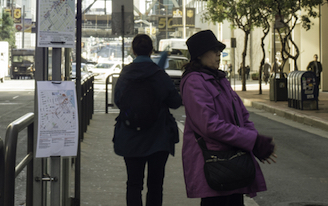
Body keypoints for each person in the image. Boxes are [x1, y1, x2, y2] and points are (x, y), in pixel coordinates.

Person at [181, 30, 276, 205]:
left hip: (234, 162)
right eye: (214, 50)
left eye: (219, 50)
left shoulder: (219, 79)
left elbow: (243, 116)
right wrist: (252, 140)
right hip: (214, 163)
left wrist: (253, 140)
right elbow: (210, 125)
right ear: (200, 55)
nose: (219, 54)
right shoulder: (194, 82)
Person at [113, 34, 182, 206]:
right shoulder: (159, 74)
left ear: (133, 51)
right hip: (158, 139)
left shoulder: (126, 73)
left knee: (134, 184)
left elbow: (118, 101)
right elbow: (175, 103)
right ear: (152, 51)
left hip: (130, 137)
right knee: (155, 184)